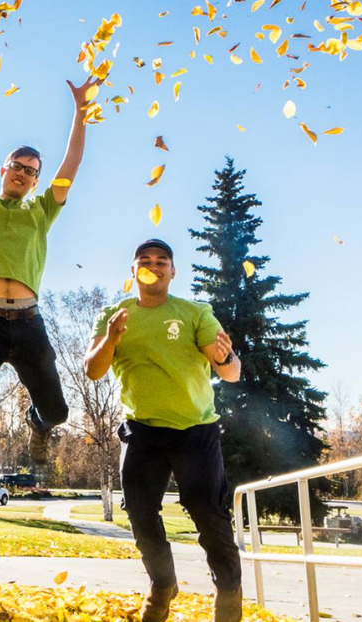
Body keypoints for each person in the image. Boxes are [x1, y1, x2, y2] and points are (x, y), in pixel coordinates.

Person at [0, 76, 100, 475]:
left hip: (28, 321)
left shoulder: (41, 211)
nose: (23, 173)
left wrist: (80, 111)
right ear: (4, 168)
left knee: (58, 410)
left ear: (36, 180)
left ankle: (38, 426)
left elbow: (72, 164)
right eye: (17, 166)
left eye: (31, 171)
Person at [85, 238, 243, 622]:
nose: (153, 266)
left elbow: (231, 372)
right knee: (139, 512)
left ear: (173, 271)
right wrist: (111, 338)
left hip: (196, 430)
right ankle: (162, 584)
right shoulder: (114, 314)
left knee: (208, 513)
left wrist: (225, 358)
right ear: (133, 271)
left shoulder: (195, 312)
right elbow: (93, 369)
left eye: (162, 261)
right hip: (143, 430)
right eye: (145, 261)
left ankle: (229, 593)